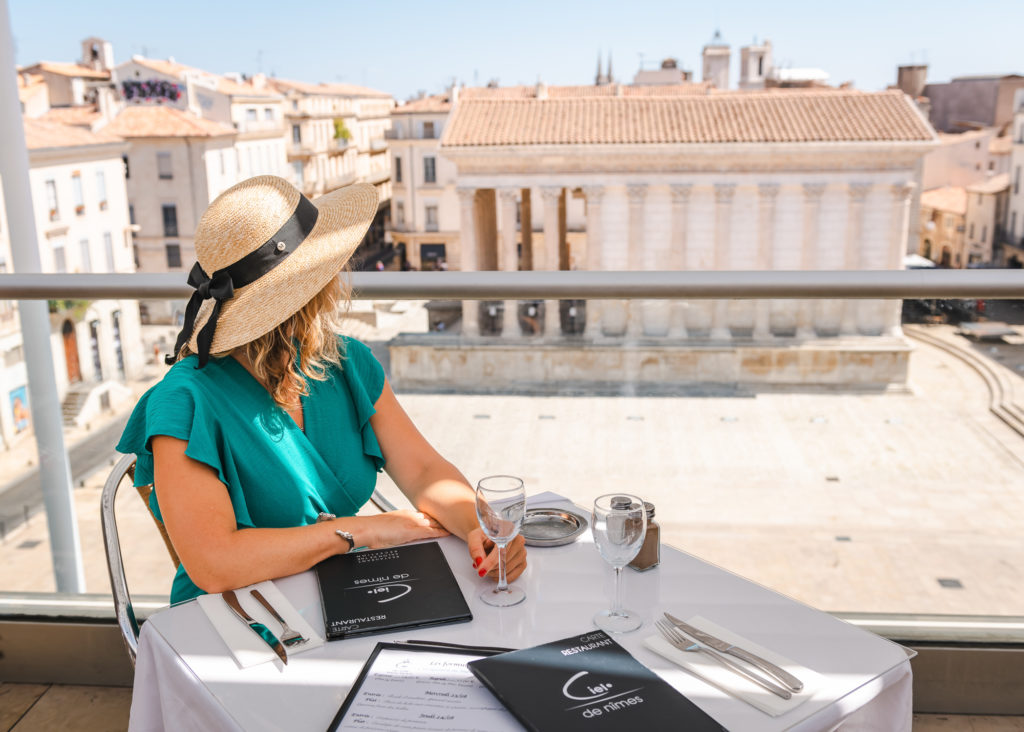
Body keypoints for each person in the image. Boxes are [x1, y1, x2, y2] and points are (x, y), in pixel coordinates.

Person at [117, 176, 526, 604]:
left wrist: (478, 526)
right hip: (234, 618)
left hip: (341, 596)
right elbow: (215, 564)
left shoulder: (344, 361)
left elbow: (423, 470)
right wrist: (364, 530)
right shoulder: (185, 402)